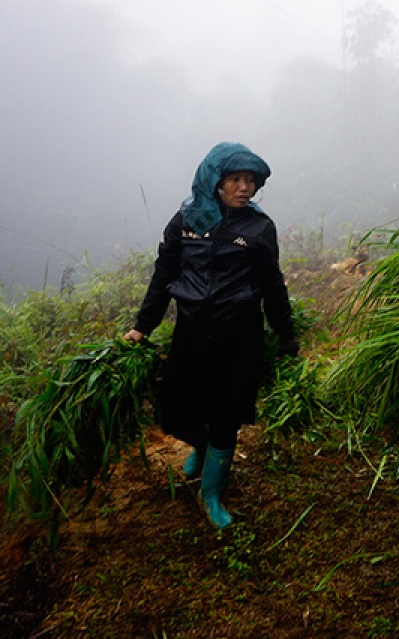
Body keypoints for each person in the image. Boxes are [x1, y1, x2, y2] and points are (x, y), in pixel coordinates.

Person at [124, 142, 299, 530]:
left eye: (250, 181)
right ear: (215, 182)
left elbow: (273, 285)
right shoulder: (185, 221)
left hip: (239, 337)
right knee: (173, 410)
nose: (244, 188)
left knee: (225, 415)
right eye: (235, 180)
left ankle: (212, 494)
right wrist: (142, 326)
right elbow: (164, 276)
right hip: (191, 332)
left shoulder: (259, 228)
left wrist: (287, 335)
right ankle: (200, 446)